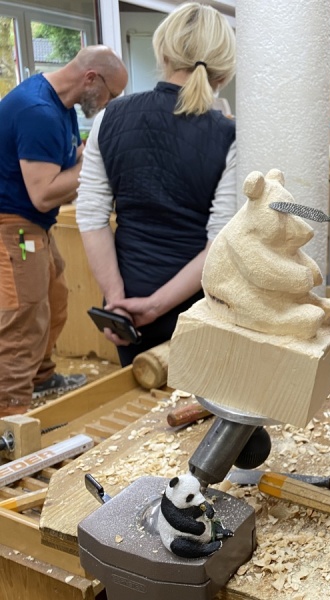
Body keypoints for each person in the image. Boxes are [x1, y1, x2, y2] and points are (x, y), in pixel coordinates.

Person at [76, 2, 237, 367]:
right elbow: (221, 243)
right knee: (197, 401)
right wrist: (154, 306)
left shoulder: (109, 118)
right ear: (225, 70)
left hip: (126, 309)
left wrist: (116, 298)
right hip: (198, 307)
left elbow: (91, 216)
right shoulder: (229, 135)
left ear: (163, 53)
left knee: (140, 399)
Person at [0, 46, 128, 416]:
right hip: (14, 228)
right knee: (23, 318)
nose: (108, 104)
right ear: (91, 79)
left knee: (54, 299)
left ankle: (41, 378)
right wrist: (95, 163)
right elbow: (43, 194)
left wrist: (91, 158)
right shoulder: (38, 111)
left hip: (34, 227)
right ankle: (10, 416)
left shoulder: (63, 110)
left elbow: (69, 165)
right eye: (110, 95)